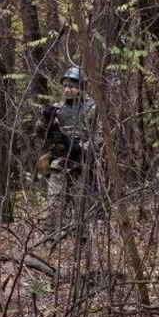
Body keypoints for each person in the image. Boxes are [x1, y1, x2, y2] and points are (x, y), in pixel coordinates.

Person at [36, 65, 95, 238]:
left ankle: (82, 242)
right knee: (54, 206)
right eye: (66, 86)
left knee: (81, 208)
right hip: (59, 163)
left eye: (73, 86)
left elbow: (98, 136)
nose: (68, 90)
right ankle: (51, 240)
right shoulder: (56, 109)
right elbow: (40, 134)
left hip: (81, 165)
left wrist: (82, 148)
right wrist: (45, 119)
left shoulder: (91, 108)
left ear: (81, 88)